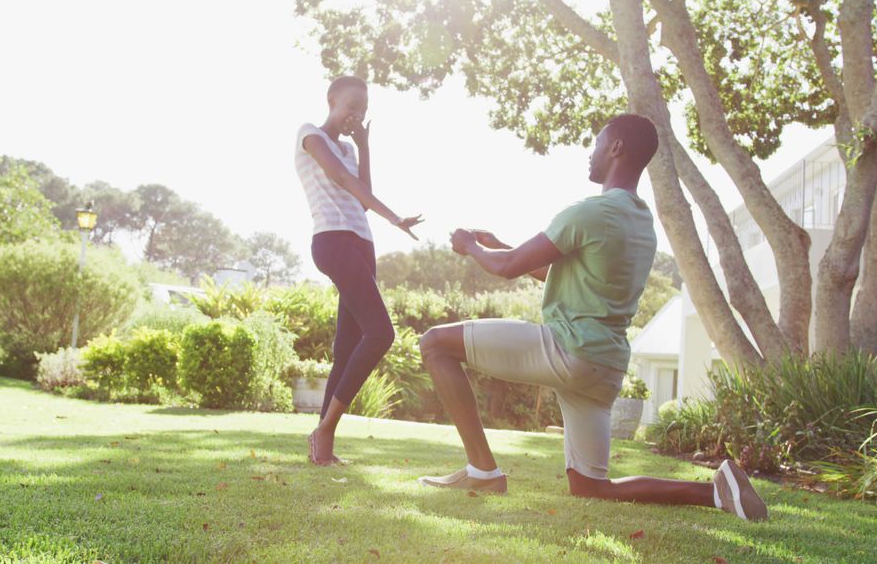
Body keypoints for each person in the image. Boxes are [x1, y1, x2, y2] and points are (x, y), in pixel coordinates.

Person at [415, 113, 768, 521]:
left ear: (616, 148)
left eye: (597, 144)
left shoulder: (591, 211)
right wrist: (502, 245)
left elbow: (507, 266)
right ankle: (717, 492)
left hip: (568, 350)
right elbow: (558, 272)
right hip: (603, 366)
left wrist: (470, 247)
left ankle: (482, 470)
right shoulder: (640, 222)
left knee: (435, 343)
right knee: (591, 487)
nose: (591, 153)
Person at [295, 75, 423, 465]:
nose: (356, 114)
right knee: (381, 333)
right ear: (331, 99)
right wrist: (395, 218)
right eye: (351, 106)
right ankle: (324, 429)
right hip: (333, 241)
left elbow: (360, 195)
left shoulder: (350, 148)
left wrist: (366, 146)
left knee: (346, 348)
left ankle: (323, 449)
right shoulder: (310, 134)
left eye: (363, 110)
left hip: (362, 243)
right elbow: (342, 180)